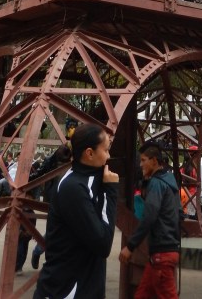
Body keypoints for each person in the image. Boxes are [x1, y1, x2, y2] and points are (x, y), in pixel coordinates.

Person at [34, 124, 118, 299]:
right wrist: (111, 192)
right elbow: (103, 244)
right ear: (89, 153)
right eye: (106, 150)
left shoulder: (92, 179)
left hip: (83, 287)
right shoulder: (73, 188)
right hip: (66, 290)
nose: (109, 156)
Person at [119, 142, 181, 298]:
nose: (140, 165)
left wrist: (130, 246)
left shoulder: (156, 183)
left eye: (143, 160)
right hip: (165, 252)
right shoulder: (169, 181)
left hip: (161, 254)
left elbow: (149, 217)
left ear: (154, 161)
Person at [31, 144, 72, 270]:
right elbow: (40, 173)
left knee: (57, 230)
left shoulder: (57, 161)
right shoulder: (59, 163)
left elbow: (39, 173)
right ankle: (40, 252)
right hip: (59, 200)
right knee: (57, 231)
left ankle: (42, 253)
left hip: (62, 199)